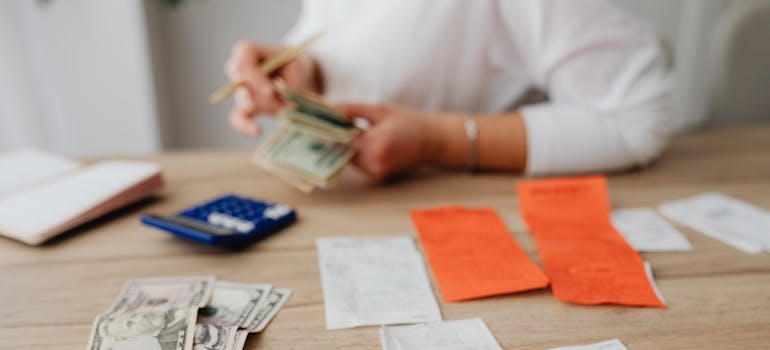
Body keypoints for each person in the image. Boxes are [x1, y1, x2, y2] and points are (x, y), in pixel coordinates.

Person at [225, 0, 671, 183]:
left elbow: (636, 121)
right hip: (356, 211)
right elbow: (341, 29)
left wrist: (438, 139)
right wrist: (304, 69)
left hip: (475, 209)